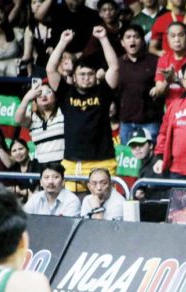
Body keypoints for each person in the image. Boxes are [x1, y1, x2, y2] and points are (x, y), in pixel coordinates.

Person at [46, 26, 120, 190]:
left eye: (90, 74)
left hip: (103, 161)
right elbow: (50, 69)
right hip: (73, 163)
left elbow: (114, 67)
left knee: (103, 209)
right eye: (82, 74)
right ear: (73, 76)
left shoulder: (103, 91)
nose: (86, 78)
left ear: (95, 76)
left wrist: (103, 39)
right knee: (72, 209)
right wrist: (62, 42)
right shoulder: (66, 92)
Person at [117, 24, 162, 144]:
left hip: (150, 121)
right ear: (122, 42)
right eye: (128, 37)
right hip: (126, 121)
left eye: (136, 37)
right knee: (127, 160)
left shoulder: (155, 61)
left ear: (142, 41)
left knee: (151, 158)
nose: (132, 40)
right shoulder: (117, 64)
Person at [14, 82, 65, 167]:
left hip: (63, 164)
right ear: (35, 100)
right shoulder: (32, 116)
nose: (43, 96)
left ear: (55, 97)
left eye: (48, 92)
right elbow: (17, 120)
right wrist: (26, 99)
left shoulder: (63, 111)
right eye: (39, 93)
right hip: (41, 165)